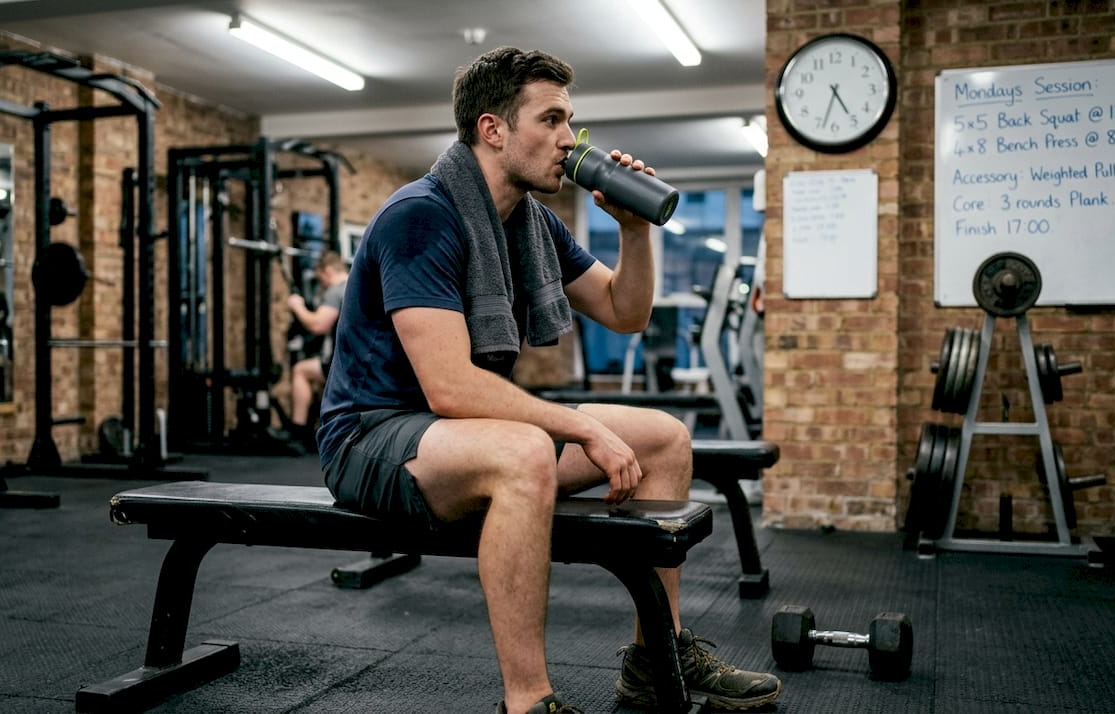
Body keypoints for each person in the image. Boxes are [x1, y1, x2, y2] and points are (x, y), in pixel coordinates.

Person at [316, 47, 782, 714]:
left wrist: (633, 231)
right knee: (525, 450)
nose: (570, 138)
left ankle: (655, 656)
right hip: (371, 438)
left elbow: (624, 312)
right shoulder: (421, 215)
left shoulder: (529, 225)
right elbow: (449, 387)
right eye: (554, 119)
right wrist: (583, 426)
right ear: (493, 129)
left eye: (571, 120)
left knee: (663, 439)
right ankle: (528, 701)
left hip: (456, 436)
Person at [285, 250, 348, 448]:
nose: (321, 284)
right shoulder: (359, 285)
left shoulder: (336, 291)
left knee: (301, 370)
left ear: (328, 271)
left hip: (349, 365)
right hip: (368, 361)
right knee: (319, 373)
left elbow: (318, 325)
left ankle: (298, 434)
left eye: (321, 278)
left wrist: (297, 306)